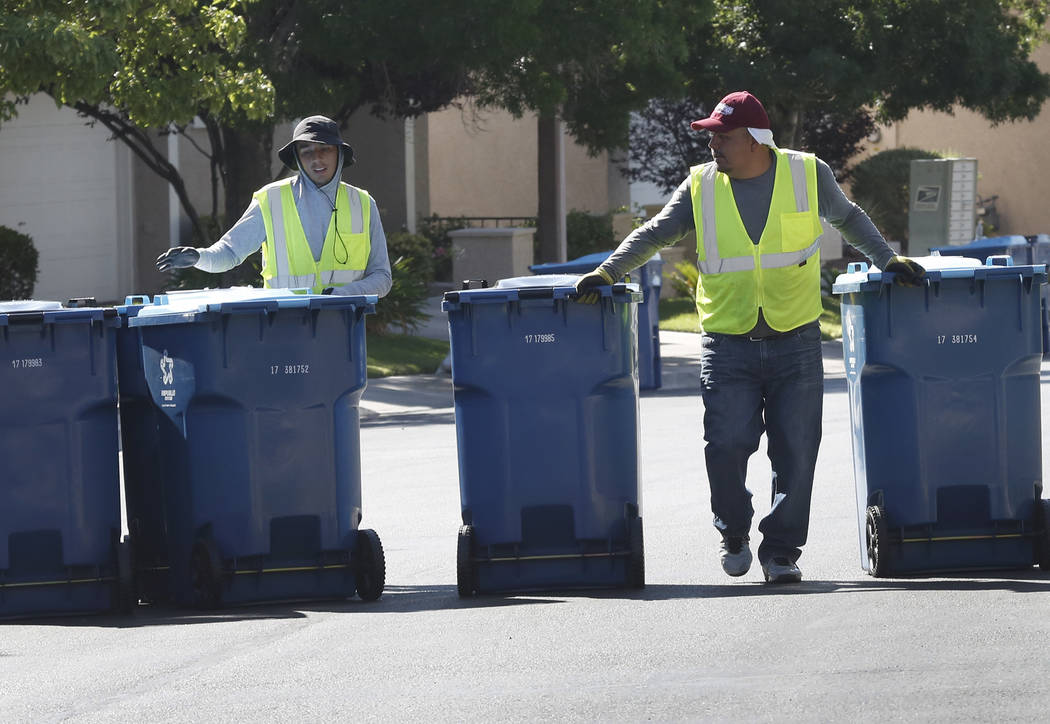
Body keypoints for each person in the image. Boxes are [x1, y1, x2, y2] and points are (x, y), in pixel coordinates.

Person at [575, 91, 925, 584]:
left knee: (797, 453)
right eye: (712, 135)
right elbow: (655, 233)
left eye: (725, 135)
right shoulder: (701, 184)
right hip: (728, 341)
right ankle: (734, 530)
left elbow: (848, 217)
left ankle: (781, 552)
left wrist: (887, 260)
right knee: (725, 446)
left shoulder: (808, 173)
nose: (714, 144)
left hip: (796, 338)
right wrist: (608, 272)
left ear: (757, 139)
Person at [156, 115, 392, 298]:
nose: (316, 159)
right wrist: (199, 257)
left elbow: (382, 277)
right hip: (285, 326)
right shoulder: (271, 200)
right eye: (307, 152)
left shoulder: (363, 204)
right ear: (298, 159)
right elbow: (230, 252)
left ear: (339, 153)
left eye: (324, 149)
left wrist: (341, 295)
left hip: (344, 326)